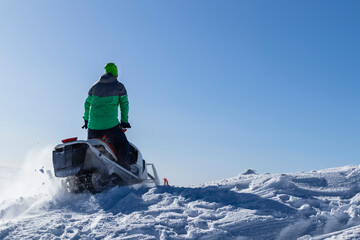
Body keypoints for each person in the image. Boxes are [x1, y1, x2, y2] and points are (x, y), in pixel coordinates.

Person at [82, 63, 132, 170]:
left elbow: (87, 104)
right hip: (110, 126)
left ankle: (87, 173)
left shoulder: (94, 87)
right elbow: (124, 105)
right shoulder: (119, 87)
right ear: (115, 75)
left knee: (92, 151)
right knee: (122, 144)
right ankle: (124, 168)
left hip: (93, 126)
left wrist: (86, 120)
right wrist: (124, 121)